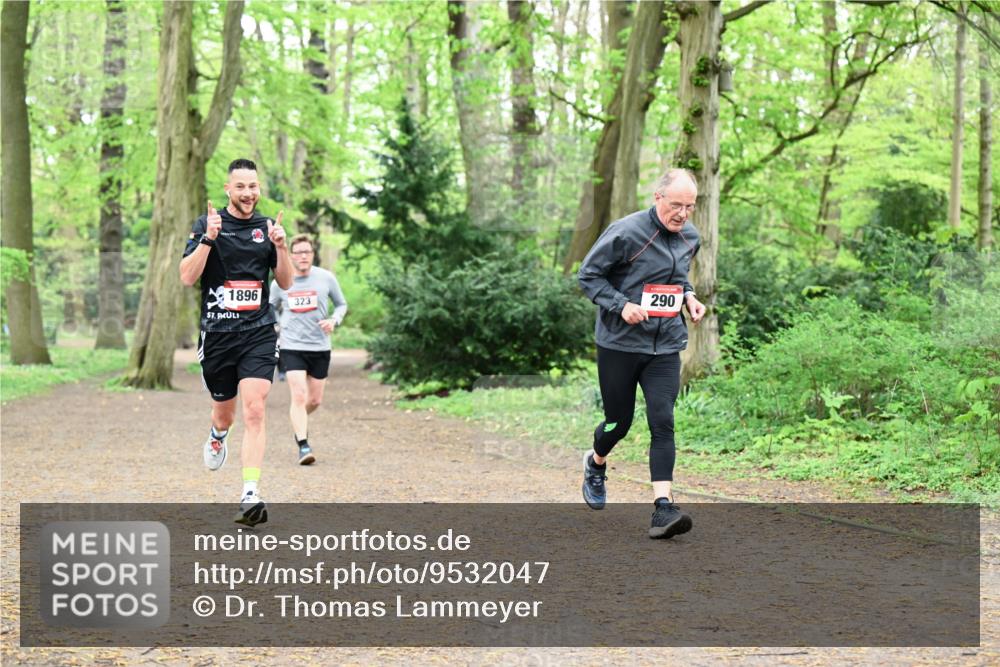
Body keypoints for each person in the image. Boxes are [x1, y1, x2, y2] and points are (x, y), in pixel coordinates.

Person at [577, 168, 707, 539]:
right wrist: (621, 306)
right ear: (657, 198)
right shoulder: (625, 232)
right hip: (620, 343)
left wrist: (689, 297)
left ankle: (663, 508)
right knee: (619, 422)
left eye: (690, 207)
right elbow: (588, 276)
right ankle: (596, 460)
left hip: (665, 343)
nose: (682, 214)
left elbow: (677, 276)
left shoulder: (690, 237)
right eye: (676, 205)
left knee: (662, 421)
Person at [179, 158, 292, 526]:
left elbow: (286, 283)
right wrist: (209, 239)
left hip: (258, 332)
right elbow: (186, 277)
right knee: (225, 414)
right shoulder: (207, 225)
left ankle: (250, 493)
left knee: (255, 408)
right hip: (218, 336)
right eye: (240, 186)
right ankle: (217, 434)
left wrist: (283, 247)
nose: (248, 193)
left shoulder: (268, 228)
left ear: (259, 188)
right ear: (228, 189)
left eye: (253, 186)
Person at [269, 234, 348, 465]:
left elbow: (342, 304)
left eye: (307, 252)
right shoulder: (281, 281)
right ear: (291, 255)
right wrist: (276, 325)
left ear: (312, 254)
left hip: (320, 346)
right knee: (299, 395)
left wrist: (334, 320)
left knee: (314, 400)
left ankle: (298, 420)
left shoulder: (326, 278)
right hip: (291, 346)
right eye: (298, 252)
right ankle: (303, 445)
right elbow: (270, 306)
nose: (303, 256)